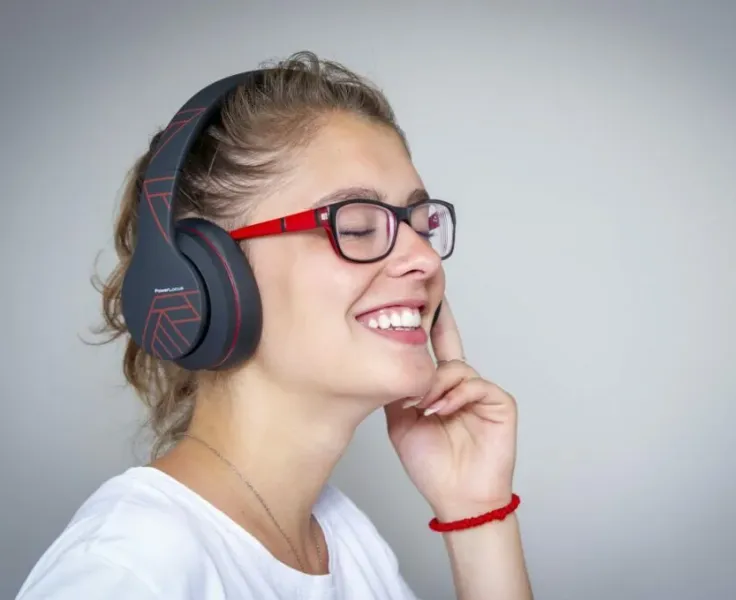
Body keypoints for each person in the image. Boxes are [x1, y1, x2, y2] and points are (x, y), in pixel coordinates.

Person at [16, 51, 533, 600]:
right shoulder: (130, 569)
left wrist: (476, 511)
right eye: (355, 224)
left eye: (420, 223)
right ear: (204, 276)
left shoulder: (345, 541)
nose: (425, 261)